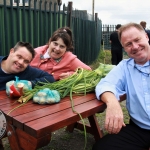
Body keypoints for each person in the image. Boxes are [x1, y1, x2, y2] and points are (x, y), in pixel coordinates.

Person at [93, 23, 150, 150]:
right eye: (129, 44)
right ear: (124, 47)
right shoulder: (125, 66)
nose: (135, 46)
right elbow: (105, 84)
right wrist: (113, 103)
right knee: (102, 147)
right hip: (140, 129)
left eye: (137, 40)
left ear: (146, 37)